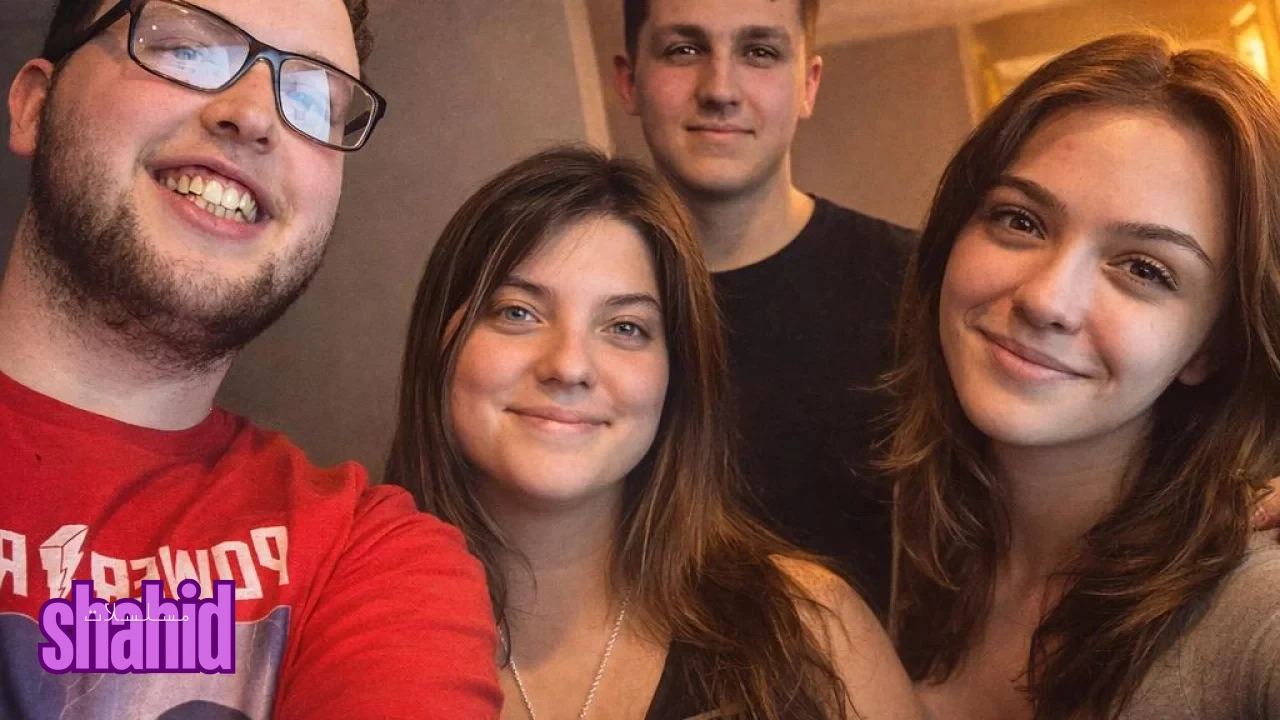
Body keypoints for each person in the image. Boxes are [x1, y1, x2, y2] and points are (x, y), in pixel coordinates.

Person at [0, 1, 499, 717]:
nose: (256, 116)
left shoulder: (370, 560)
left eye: (312, 99)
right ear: (34, 106)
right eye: (186, 49)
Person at [385, 145, 923, 720]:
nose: (569, 366)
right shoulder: (343, 627)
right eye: (518, 312)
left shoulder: (814, 629)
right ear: (439, 343)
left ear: (678, 374)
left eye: (625, 327)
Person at [885, 33, 1280, 720]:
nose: (1047, 300)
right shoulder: (907, 534)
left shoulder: (1251, 606)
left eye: (1144, 269)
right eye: (1020, 220)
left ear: (1211, 349)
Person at [612, 0, 918, 615]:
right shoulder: (580, 302)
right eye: (684, 50)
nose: (720, 90)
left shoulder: (917, 285)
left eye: (759, 52)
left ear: (808, 85)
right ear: (629, 81)